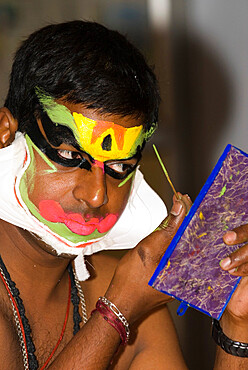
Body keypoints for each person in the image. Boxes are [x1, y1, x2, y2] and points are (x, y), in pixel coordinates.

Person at [0, 20, 247, 369]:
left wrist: (238, 326)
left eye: (118, 168)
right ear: (5, 133)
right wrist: (117, 311)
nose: (98, 195)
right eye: (72, 157)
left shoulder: (129, 292)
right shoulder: (127, 295)